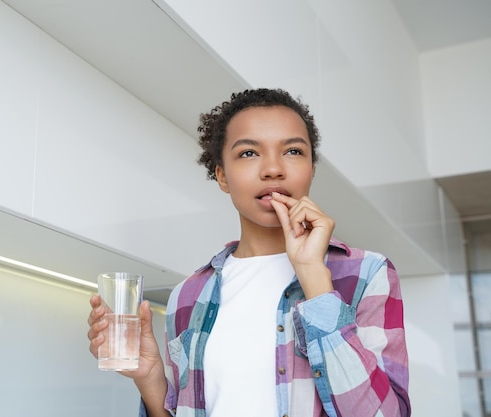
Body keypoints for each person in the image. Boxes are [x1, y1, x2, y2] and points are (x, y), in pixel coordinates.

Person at [87, 88, 411, 417]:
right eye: (248, 153)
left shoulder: (368, 273)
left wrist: (313, 275)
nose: (273, 169)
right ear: (222, 176)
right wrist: (152, 382)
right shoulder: (188, 294)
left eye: (294, 151)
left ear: (312, 168)